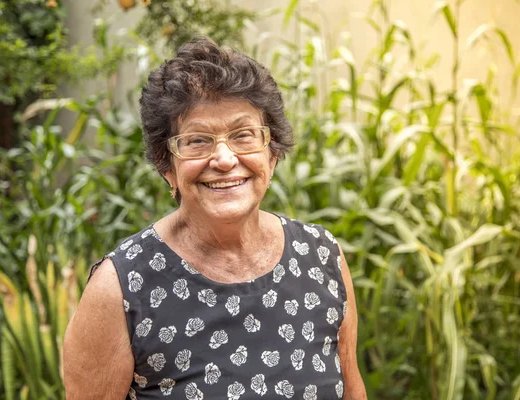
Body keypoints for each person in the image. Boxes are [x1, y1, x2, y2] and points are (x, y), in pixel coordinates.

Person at [63, 37, 367, 399]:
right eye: (197, 141)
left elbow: (352, 389)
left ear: (271, 156)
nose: (223, 159)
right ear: (167, 167)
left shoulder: (321, 256)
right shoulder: (121, 289)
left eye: (243, 135)